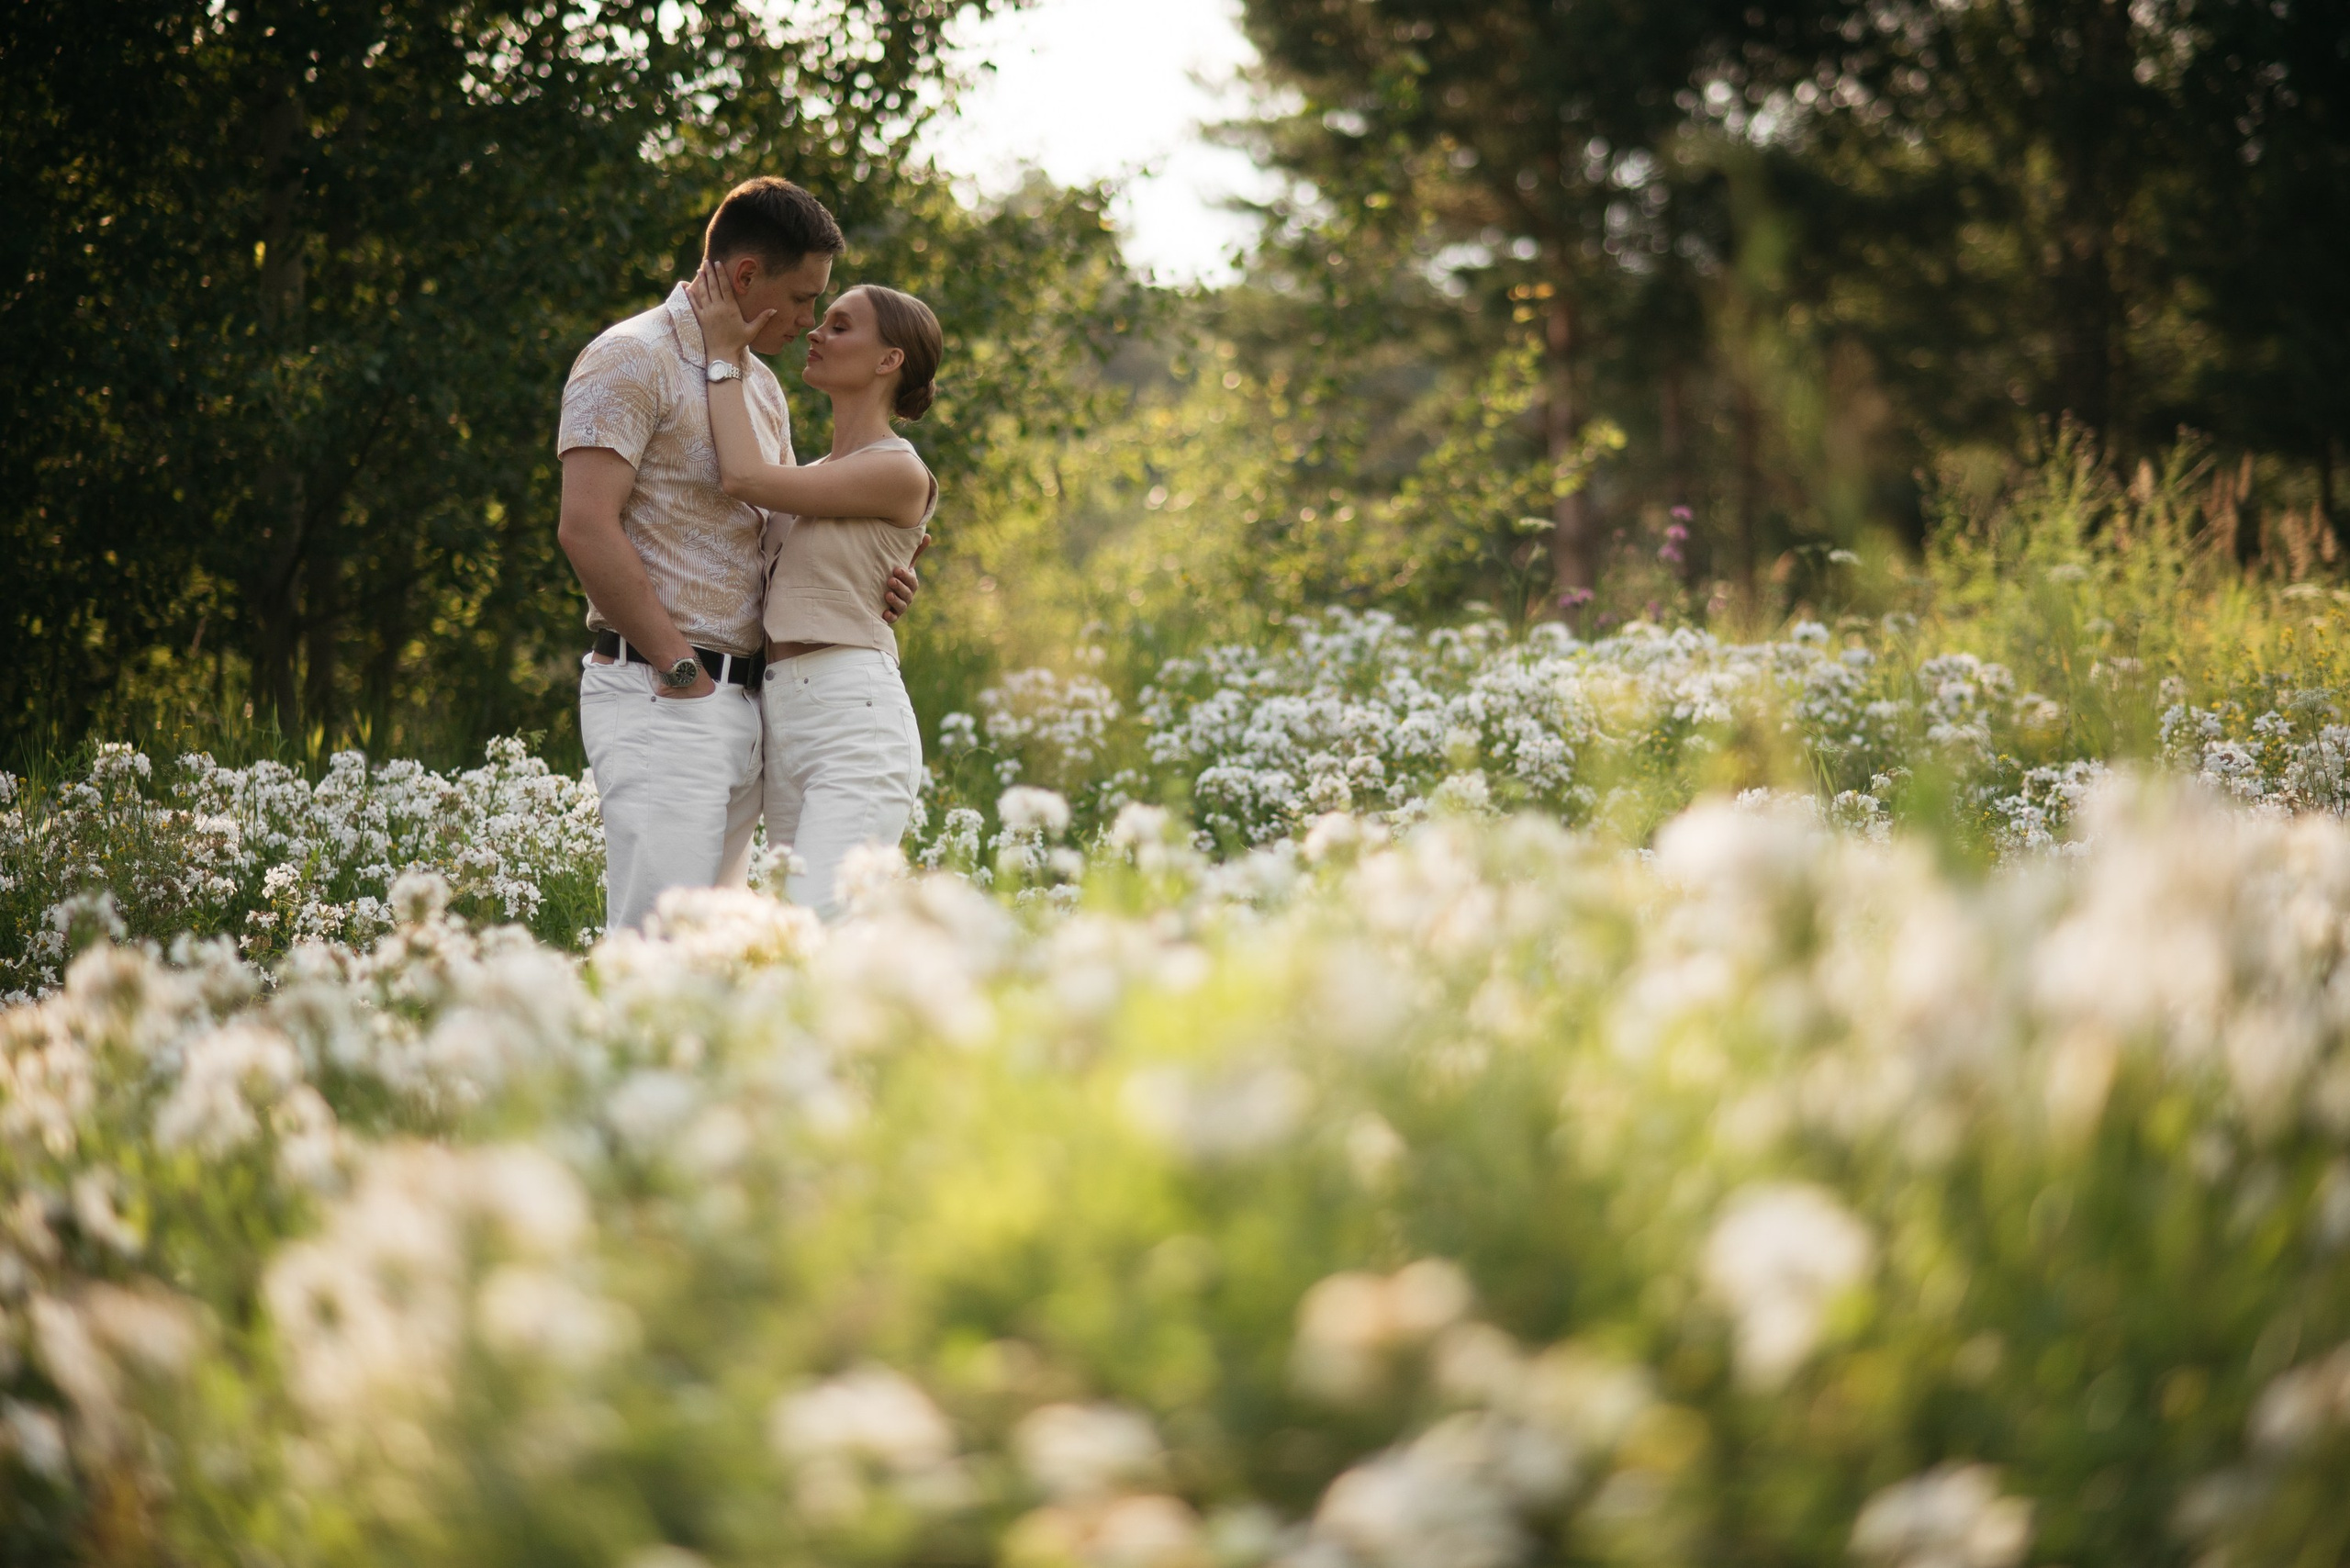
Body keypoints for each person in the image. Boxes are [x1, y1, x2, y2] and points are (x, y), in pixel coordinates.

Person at [555, 176, 919, 932]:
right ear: (747, 278)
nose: (809, 321)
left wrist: (885, 565)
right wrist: (680, 669)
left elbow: (775, 534)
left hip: (754, 708)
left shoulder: (758, 389)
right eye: (802, 298)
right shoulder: (630, 357)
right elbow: (585, 527)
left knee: (714, 954)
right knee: (657, 940)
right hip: (667, 692)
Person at [687, 260, 940, 920]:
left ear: (889, 360)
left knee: (821, 933)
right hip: (783, 720)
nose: (815, 333)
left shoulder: (898, 468)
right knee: (788, 937)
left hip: (854, 720)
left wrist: (723, 353)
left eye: (839, 325)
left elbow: (742, 476)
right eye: (820, 321)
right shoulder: (817, 473)